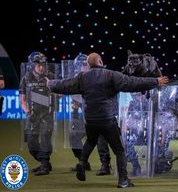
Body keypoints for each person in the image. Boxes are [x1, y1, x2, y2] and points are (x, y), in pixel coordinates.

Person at [46, 52, 169, 188]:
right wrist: (155, 81)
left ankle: (82, 163)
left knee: (90, 141)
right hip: (107, 120)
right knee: (119, 150)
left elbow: (65, 85)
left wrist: (50, 84)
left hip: (90, 120)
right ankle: (123, 181)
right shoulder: (111, 75)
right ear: (100, 61)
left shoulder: (82, 77)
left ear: (88, 64)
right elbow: (132, 83)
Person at [68, 54, 111, 176]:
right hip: (86, 116)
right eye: (79, 66)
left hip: (99, 113)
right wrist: (75, 109)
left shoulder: (99, 75)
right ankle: (83, 163)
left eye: (83, 65)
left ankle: (105, 165)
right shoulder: (78, 79)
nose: (81, 68)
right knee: (74, 136)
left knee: (100, 138)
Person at [19, 52, 56, 176]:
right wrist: (27, 112)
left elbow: (60, 94)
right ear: (32, 65)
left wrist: (51, 86)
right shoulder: (26, 77)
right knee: (31, 143)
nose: (41, 67)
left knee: (46, 138)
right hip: (33, 114)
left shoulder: (51, 76)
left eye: (43, 65)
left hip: (48, 113)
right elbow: (22, 100)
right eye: (39, 65)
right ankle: (44, 162)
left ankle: (45, 166)